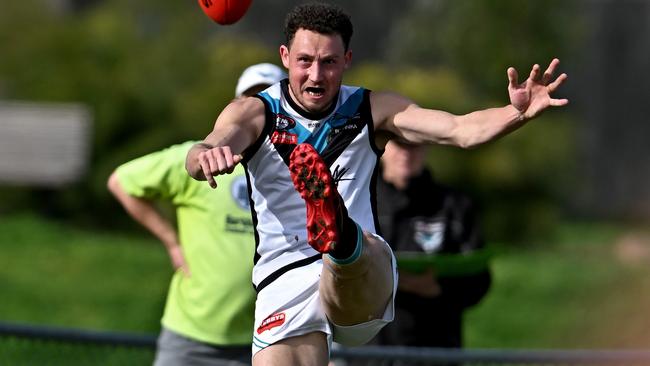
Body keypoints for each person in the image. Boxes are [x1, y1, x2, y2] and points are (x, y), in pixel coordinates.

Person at [185, 3, 568, 365]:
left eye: (329, 63)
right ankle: (335, 230)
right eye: (305, 61)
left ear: (347, 61)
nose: (316, 75)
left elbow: (459, 130)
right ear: (285, 57)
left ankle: (339, 233)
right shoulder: (256, 111)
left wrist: (515, 113)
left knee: (348, 259)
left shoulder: (372, 109)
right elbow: (215, 141)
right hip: (282, 278)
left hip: (365, 271)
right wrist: (205, 156)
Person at [107, 63, 287, 366]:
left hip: (262, 338)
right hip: (189, 337)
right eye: (251, 102)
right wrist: (171, 242)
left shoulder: (295, 171)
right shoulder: (204, 154)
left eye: (268, 104)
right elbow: (121, 182)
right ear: (236, 107)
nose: (259, 113)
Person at [375, 140, 491, 352]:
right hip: (368, 353)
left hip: (436, 349)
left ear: (426, 147)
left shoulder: (454, 205)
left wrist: (438, 288)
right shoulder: (359, 201)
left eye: (414, 145)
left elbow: (480, 279)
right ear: (382, 146)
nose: (406, 153)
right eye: (399, 144)